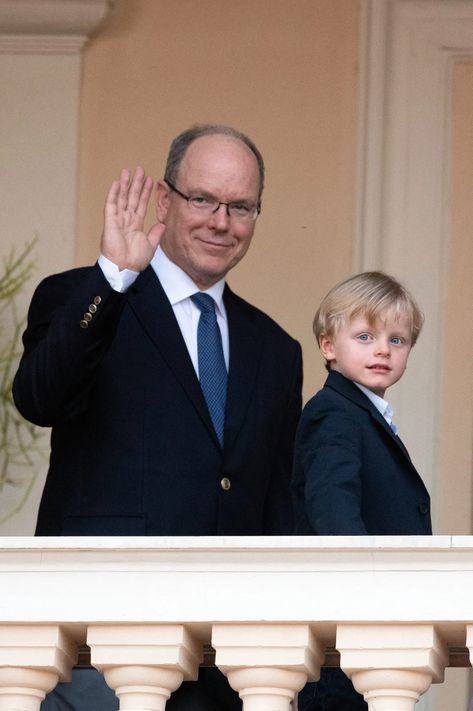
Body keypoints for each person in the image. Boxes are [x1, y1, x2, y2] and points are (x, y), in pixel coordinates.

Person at [13, 124, 303, 711]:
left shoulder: (276, 349)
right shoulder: (84, 298)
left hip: (229, 663)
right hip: (100, 647)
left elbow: (281, 509)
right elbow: (38, 398)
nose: (221, 221)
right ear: (165, 201)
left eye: (241, 207)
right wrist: (114, 277)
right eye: (202, 199)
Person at [292, 271, 432, 711]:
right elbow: (334, 510)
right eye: (365, 335)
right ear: (328, 346)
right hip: (345, 628)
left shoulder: (360, 413)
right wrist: (365, 589)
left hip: (366, 625)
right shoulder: (335, 414)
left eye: (397, 340)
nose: (381, 350)